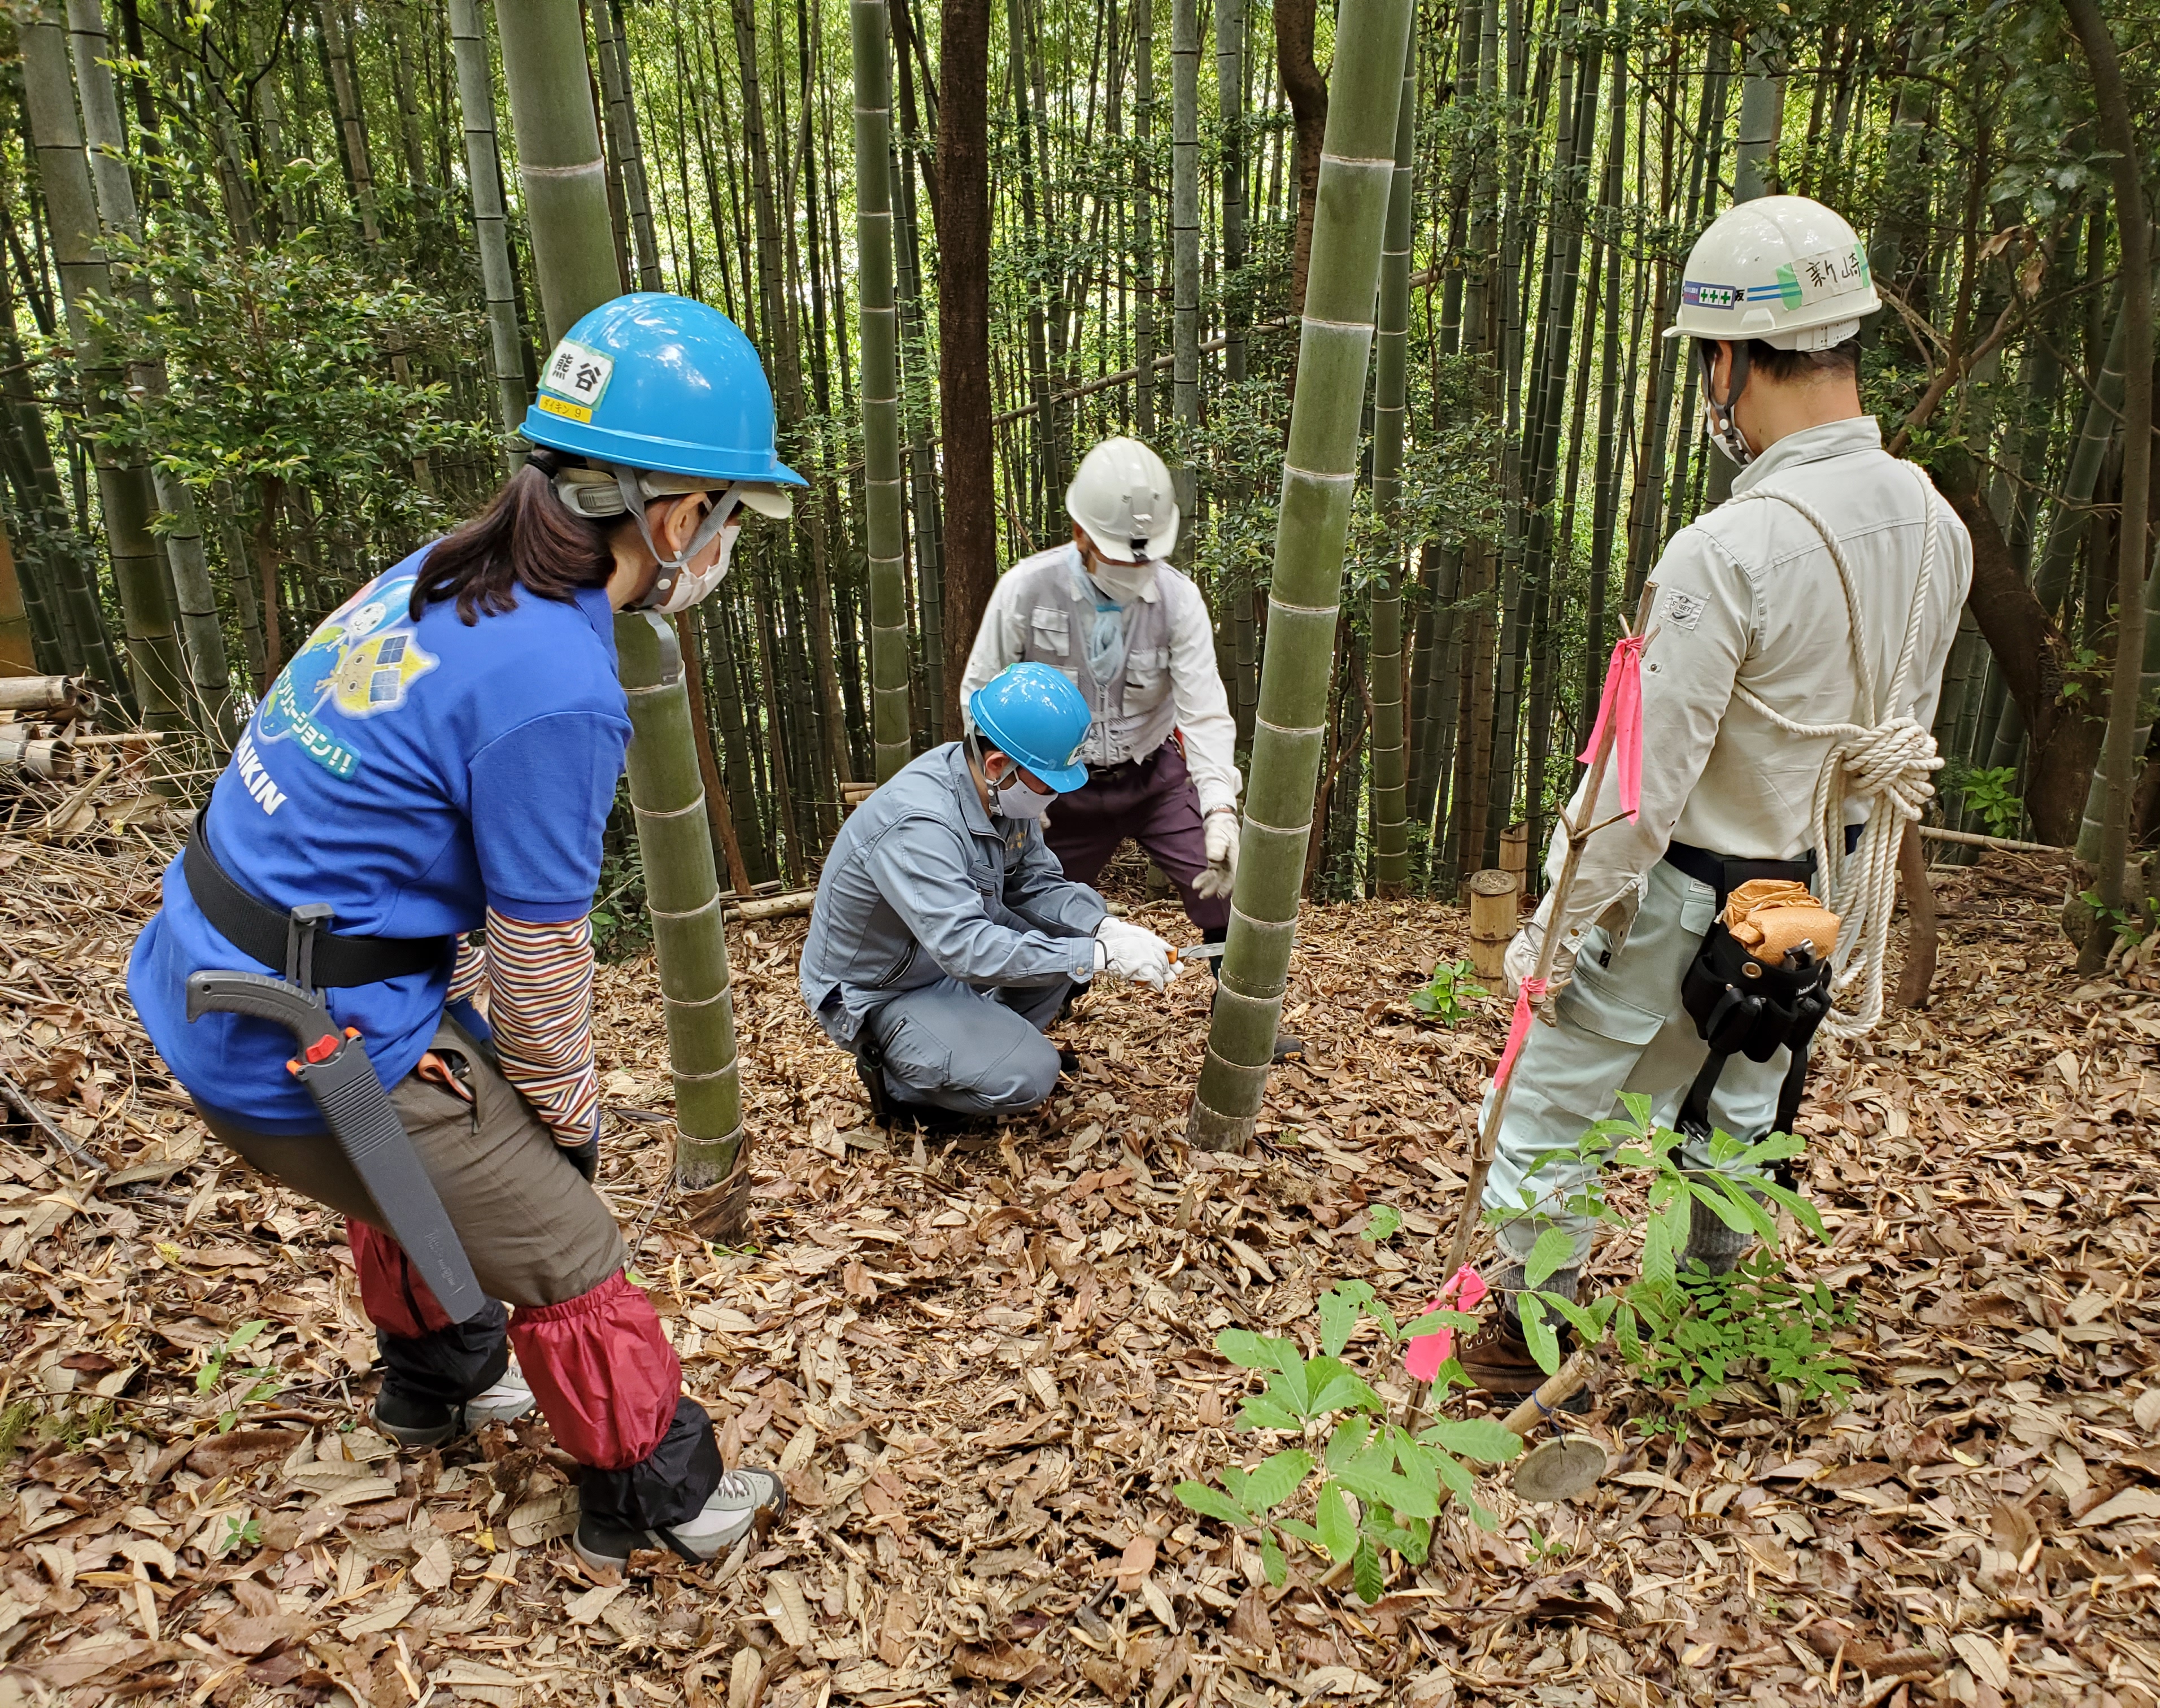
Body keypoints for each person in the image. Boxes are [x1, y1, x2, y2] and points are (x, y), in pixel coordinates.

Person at [128, 293, 801, 1572]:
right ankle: (650, 1500)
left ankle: (437, 1376)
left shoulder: (443, 574)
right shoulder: (559, 682)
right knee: (567, 1237)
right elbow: (542, 958)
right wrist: (568, 1126)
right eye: (729, 520)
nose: (723, 548)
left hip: (212, 973)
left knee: (463, 1097)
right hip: (297, 1041)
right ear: (672, 515)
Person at [1457, 196, 1973, 1397]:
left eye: (1708, 367)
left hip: (1686, 886)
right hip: (1811, 887)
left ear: (1731, 358)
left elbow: (1637, 794)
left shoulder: (1724, 553)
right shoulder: (1936, 525)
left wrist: (1551, 929)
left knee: (1549, 1101)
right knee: (1746, 1087)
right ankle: (1708, 1309)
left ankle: (1525, 1336)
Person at [959, 437, 1300, 1061]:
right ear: (1080, 533)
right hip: (1057, 786)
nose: (1134, 570)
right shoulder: (1026, 590)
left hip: (1153, 773)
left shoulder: (1178, 601)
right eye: (1118, 554)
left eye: (1145, 558)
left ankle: (1245, 1018)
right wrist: (1009, 792)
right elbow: (980, 695)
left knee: (1227, 886)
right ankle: (1023, 1018)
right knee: (1033, 905)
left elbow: (1204, 712)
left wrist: (1221, 809)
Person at [800, 664, 1183, 1124]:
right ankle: (902, 1085)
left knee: (1070, 935)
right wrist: (1094, 956)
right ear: (999, 765)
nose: (1054, 796)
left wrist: (1107, 931)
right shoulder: (919, 824)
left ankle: (983, 1042)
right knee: (1031, 1076)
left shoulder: (998, 791)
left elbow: (1037, 884)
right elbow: (964, 947)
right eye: (1048, 782)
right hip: (880, 988)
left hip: (936, 960)